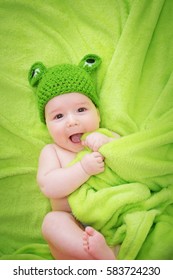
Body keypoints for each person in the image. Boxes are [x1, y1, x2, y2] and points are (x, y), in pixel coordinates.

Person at [28, 55, 120, 260]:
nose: (72, 121)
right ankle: (102, 259)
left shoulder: (105, 137)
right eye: (58, 116)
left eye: (81, 110)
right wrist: (83, 169)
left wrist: (108, 144)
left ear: (97, 113)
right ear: (47, 125)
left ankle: (110, 256)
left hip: (114, 218)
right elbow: (48, 186)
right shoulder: (52, 152)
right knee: (52, 222)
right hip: (74, 226)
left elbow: (129, 158)